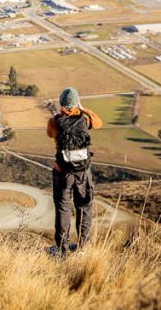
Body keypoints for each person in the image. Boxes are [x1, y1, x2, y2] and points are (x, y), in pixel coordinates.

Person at [47, 86, 102, 254]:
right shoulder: (85, 119)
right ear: (76, 102)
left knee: (63, 207)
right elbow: (99, 123)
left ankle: (63, 249)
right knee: (84, 207)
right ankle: (83, 247)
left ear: (62, 103)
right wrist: (83, 108)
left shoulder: (55, 122)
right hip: (83, 171)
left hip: (63, 170)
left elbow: (50, 134)